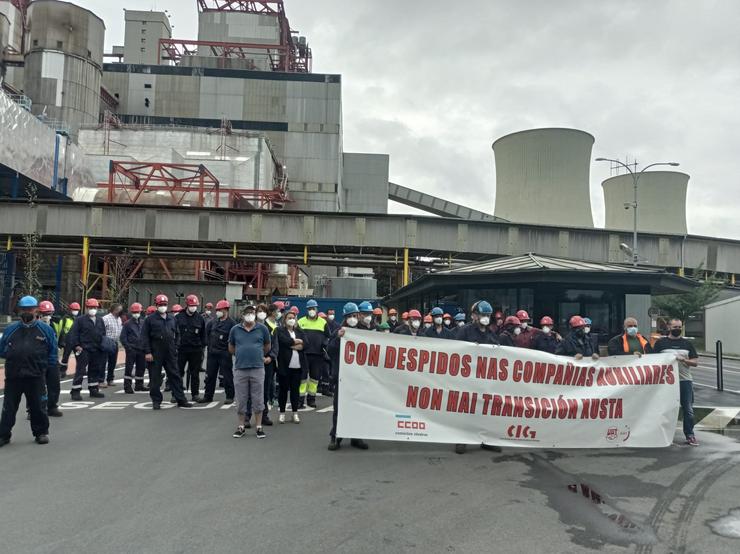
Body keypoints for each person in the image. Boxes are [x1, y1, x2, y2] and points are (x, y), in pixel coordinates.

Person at [0, 296, 56, 446]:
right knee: (8, 408)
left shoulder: (46, 330)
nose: (27, 312)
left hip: (36, 376)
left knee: (38, 406)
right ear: (19, 310)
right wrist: (12, 353)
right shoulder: (11, 329)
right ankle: (4, 435)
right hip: (14, 376)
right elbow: (2, 349)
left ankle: (41, 433)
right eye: (24, 309)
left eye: (30, 309)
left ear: (36, 310)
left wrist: (50, 371)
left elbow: (52, 352)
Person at [454, 300, 499, 454]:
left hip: (485, 380)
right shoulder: (464, 331)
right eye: (482, 315)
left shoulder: (492, 333)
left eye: (487, 315)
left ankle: (486, 441)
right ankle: (462, 440)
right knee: (466, 411)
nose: (485, 318)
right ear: (474, 316)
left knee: (486, 411)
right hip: (468, 380)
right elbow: (456, 352)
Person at [327, 302, 368, 451]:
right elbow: (330, 351)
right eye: (349, 316)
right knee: (340, 408)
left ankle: (356, 437)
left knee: (358, 407)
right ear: (345, 317)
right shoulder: (339, 331)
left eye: (354, 316)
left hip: (359, 377)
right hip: (342, 377)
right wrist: (338, 338)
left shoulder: (363, 331)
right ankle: (335, 437)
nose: (352, 318)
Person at [652, 319, 699, 446]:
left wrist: (684, 360)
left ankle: (690, 435)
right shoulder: (661, 343)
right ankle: (663, 434)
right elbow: (652, 361)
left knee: (688, 409)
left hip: (685, 381)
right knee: (665, 408)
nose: (677, 329)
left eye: (679, 327)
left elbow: (695, 362)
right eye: (674, 326)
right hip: (666, 382)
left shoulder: (687, 344)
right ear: (669, 327)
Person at [141, 294, 192, 410]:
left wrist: (176, 346)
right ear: (156, 305)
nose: (163, 307)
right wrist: (147, 352)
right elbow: (144, 337)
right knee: (155, 378)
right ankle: (156, 401)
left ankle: (180, 399)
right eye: (160, 305)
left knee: (175, 375)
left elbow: (178, 334)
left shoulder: (172, 318)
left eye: (164, 305)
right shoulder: (150, 319)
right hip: (155, 351)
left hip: (170, 351)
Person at [229, 303, 272, 439]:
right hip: (240, 368)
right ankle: (241, 426)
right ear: (242, 315)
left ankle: (259, 427)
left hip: (257, 368)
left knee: (258, 398)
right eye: (247, 313)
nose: (249, 315)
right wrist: (242, 354)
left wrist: (257, 355)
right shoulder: (235, 329)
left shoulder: (263, 329)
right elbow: (231, 347)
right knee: (241, 399)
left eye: (251, 313)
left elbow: (267, 346)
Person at [68, 298, 107, 401]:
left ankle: (93, 389)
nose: (93, 309)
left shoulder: (100, 320)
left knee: (94, 369)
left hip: (96, 349)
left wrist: (102, 345)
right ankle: (75, 391)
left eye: (94, 307)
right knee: (80, 370)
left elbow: (103, 333)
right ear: (86, 308)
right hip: (83, 348)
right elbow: (73, 333)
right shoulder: (80, 320)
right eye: (90, 307)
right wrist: (77, 345)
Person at [199, 300, 236, 404]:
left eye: (220, 310)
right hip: (212, 353)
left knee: (227, 376)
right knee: (210, 376)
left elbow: (234, 339)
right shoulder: (212, 322)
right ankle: (208, 396)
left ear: (226, 310)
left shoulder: (232, 324)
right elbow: (206, 335)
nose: (218, 312)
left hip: (224, 353)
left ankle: (230, 396)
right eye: (217, 310)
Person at [248, 303, 278, 426]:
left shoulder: (270, 328)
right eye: (258, 311)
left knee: (264, 390)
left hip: (267, 363)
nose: (261, 313)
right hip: (253, 362)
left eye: (263, 311)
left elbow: (275, 346)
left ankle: (264, 415)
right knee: (250, 390)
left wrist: (270, 357)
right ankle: (246, 417)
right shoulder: (249, 326)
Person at [297, 299, 331, 408]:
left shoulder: (323, 322)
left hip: (318, 355)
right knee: (302, 378)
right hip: (303, 354)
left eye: (313, 308)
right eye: (309, 309)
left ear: (317, 309)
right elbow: (296, 336)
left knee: (314, 378)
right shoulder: (300, 322)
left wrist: (324, 345)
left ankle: (311, 399)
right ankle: (300, 400)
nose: (312, 310)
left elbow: (328, 336)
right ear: (307, 310)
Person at [174, 295, 206, 402]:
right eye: (191, 305)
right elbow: (173, 333)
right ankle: (176, 394)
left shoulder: (200, 318)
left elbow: (203, 335)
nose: (193, 307)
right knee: (178, 372)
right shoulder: (179, 317)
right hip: (181, 349)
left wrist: (202, 348)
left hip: (195, 350)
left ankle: (195, 394)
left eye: (195, 306)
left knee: (195, 373)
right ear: (187, 305)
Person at [276, 310, 306, 424]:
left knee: (295, 391)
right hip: (285, 366)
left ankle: (295, 413)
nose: (291, 319)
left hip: (297, 367)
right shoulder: (280, 330)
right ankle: (282, 413)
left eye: (293, 317)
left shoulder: (299, 330)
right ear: (285, 319)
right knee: (283, 391)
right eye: (289, 317)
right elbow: (283, 341)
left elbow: (305, 343)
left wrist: (298, 346)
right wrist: (296, 342)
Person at [36, 301, 62, 417]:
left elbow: (59, 339)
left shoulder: (55, 325)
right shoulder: (34, 326)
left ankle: (52, 406)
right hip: (37, 361)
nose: (47, 316)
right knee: (36, 386)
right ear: (39, 314)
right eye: (44, 314)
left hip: (52, 360)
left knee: (54, 385)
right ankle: (33, 410)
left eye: (49, 314)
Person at [121, 302, 148, 393]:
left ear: (140, 312)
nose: (136, 314)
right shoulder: (127, 324)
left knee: (141, 368)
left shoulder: (143, 322)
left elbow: (146, 335)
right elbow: (123, 337)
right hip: (132, 350)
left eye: (137, 312)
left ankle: (139, 385)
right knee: (129, 368)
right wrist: (128, 347)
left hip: (141, 349)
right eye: (134, 312)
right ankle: (127, 386)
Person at [101, 303, 123, 387]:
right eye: (119, 309)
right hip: (107, 341)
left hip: (115, 342)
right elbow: (102, 330)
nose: (121, 311)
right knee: (103, 362)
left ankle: (110, 379)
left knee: (112, 362)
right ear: (115, 310)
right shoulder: (106, 318)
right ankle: (101, 380)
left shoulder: (119, 319)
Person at [55, 301, 79, 378]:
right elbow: (60, 331)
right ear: (70, 310)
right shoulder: (64, 319)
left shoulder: (78, 319)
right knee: (65, 358)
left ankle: (80, 370)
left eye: (77, 310)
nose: (76, 311)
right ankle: (62, 372)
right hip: (67, 342)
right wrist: (60, 343)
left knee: (79, 357)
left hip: (76, 342)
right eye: (74, 309)